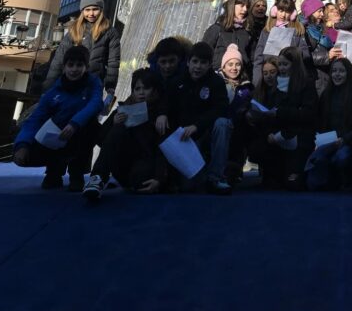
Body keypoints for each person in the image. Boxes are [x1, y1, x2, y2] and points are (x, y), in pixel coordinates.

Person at [13, 45, 103, 191]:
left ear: (86, 67)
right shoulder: (53, 92)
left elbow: (95, 104)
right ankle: (54, 173)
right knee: (25, 155)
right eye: (70, 65)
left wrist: (75, 123)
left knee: (91, 126)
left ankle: (77, 175)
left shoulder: (93, 83)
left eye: (79, 65)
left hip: (82, 134)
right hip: (57, 137)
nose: (74, 69)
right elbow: (35, 119)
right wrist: (22, 145)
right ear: (64, 67)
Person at [83, 68, 168, 200]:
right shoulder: (122, 110)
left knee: (140, 182)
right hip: (122, 163)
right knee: (118, 128)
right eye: (137, 89)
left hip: (145, 164)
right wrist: (113, 123)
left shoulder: (159, 116)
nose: (141, 93)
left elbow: (162, 148)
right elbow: (101, 140)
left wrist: (159, 178)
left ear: (154, 90)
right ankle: (97, 178)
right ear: (132, 91)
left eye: (146, 88)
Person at [158, 41, 232, 194]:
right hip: (185, 139)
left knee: (223, 123)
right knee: (188, 187)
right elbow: (166, 101)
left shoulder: (216, 83)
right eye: (195, 62)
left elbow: (221, 109)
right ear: (188, 62)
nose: (198, 67)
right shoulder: (177, 81)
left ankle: (216, 177)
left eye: (203, 63)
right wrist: (162, 114)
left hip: (206, 133)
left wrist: (197, 125)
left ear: (210, 64)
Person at [247, 45, 317, 190]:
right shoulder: (276, 85)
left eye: (286, 64)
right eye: (280, 64)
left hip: (297, 138)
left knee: (293, 184)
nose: (283, 68)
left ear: (295, 65)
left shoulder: (306, 84)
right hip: (278, 137)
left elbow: (308, 114)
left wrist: (281, 114)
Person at [45, 0, 121, 99]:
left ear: (101, 9)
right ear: (82, 11)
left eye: (95, 9)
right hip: (70, 82)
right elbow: (59, 59)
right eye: (87, 10)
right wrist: (48, 86)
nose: (91, 13)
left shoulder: (110, 32)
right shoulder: (74, 30)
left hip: (93, 84)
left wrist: (110, 85)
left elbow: (113, 61)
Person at [306, 57, 352, 191]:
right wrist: (319, 137)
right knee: (313, 180)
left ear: (348, 73)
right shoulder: (326, 94)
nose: (337, 74)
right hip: (327, 141)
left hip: (348, 142)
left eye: (341, 71)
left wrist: (345, 139)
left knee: (341, 157)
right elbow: (319, 121)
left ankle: (347, 178)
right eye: (334, 71)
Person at [217, 44, 255, 183]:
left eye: (237, 64)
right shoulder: (217, 84)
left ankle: (236, 169)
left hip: (239, 127)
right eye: (230, 64)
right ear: (223, 66)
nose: (234, 68)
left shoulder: (246, 86)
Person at [252, 0, 308, 85]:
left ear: (293, 14)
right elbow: (258, 58)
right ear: (275, 11)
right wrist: (257, 83)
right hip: (269, 78)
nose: (283, 15)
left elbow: (305, 54)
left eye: (287, 11)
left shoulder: (298, 30)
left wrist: (294, 53)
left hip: (290, 78)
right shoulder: (267, 30)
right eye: (281, 10)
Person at [202, 0, 254, 72]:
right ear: (232, 6)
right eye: (241, 5)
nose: (245, 10)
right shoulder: (217, 29)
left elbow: (252, 58)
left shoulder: (247, 32)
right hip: (217, 75)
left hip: (241, 77)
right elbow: (203, 53)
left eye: (247, 7)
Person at [301, 0, 342, 94]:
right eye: (319, 11)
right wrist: (327, 56)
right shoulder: (303, 31)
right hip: (313, 79)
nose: (322, 14)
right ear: (311, 12)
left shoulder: (319, 29)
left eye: (322, 11)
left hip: (323, 76)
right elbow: (304, 56)